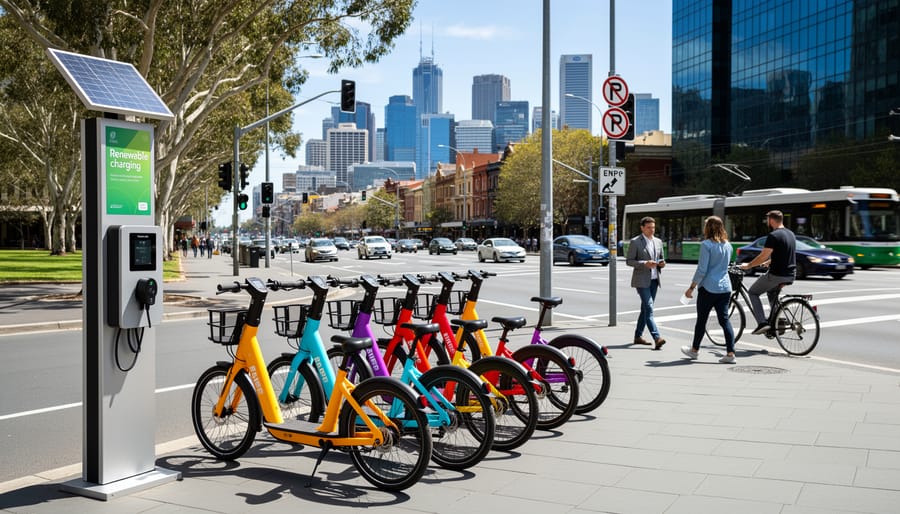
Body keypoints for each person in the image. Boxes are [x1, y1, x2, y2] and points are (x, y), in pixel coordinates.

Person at [680, 216, 736, 363]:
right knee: (724, 320)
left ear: (708, 228)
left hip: (709, 288)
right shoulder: (728, 245)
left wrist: (691, 287)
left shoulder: (706, 245)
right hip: (725, 288)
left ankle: (694, 351)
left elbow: (702, 269)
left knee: (702, 320)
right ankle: (730, 353)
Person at [741, 210, 796, 335]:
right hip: (791, 274)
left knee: (753, 292)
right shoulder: (790, 234)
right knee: (771, 292)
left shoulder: (773, 235)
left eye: (767, 219)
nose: (767, 222)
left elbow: (762, 256)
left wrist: (748, 265)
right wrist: (771, 261)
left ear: (771, 220)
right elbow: (785, 253)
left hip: (777, 274)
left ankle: (762, 323)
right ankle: (778, 321)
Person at [626, 216, 667, 350]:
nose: (652, 230)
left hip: (655, 280)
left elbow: (661, 258)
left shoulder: (658, 241)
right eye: (649, 227)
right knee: (649, 308)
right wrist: (645, 263)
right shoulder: (635, 242)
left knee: (645, 309)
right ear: (642, 228)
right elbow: (629, 261)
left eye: (653, 227)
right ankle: (657, 337)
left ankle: (638, 336)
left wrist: (662, 263)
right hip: (641, 280)